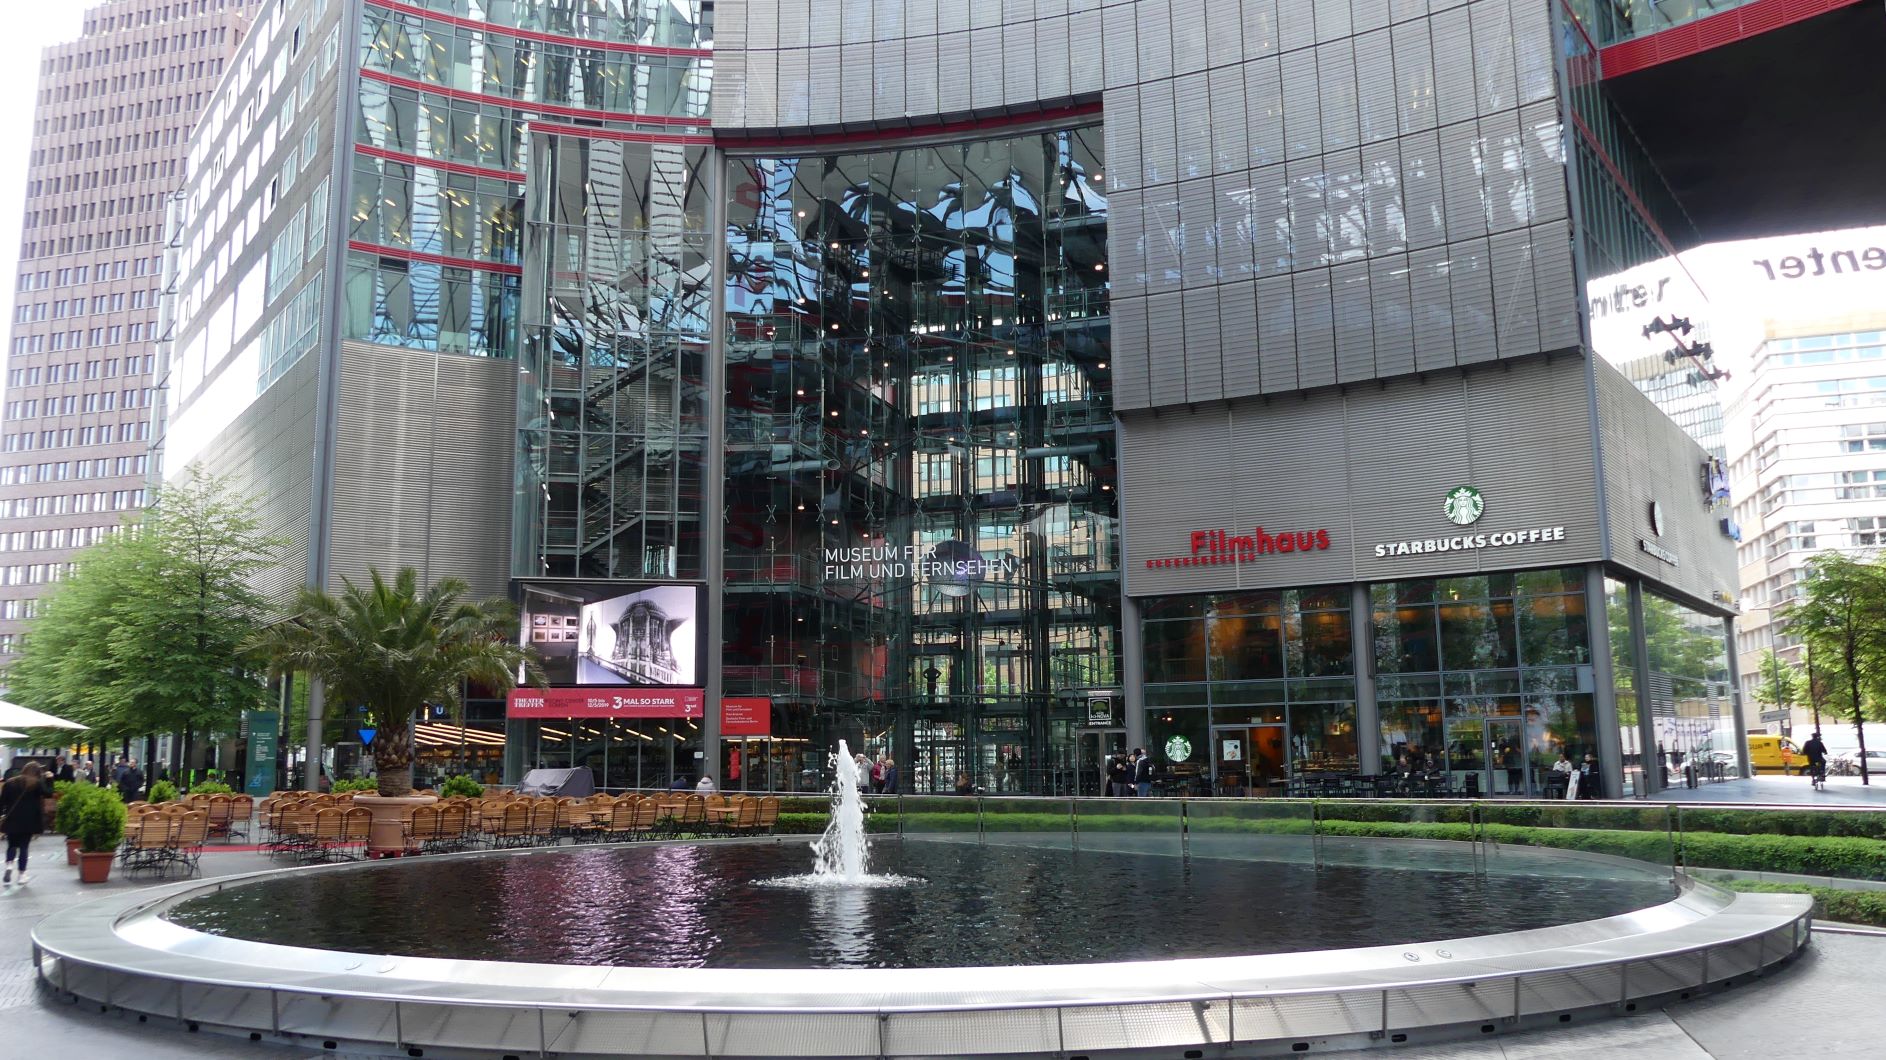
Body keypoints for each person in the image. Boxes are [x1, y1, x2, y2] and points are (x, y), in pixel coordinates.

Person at [1, 762, 48, 888]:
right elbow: (48, 793)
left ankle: (9, 865)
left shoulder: (10, 783)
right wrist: (49, 779)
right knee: (23, 847)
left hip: (12, 819)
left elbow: (2, 802)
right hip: (29, 821)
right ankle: (22, 875)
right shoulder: (36, 784)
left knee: (11, 845)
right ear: (37, 773)